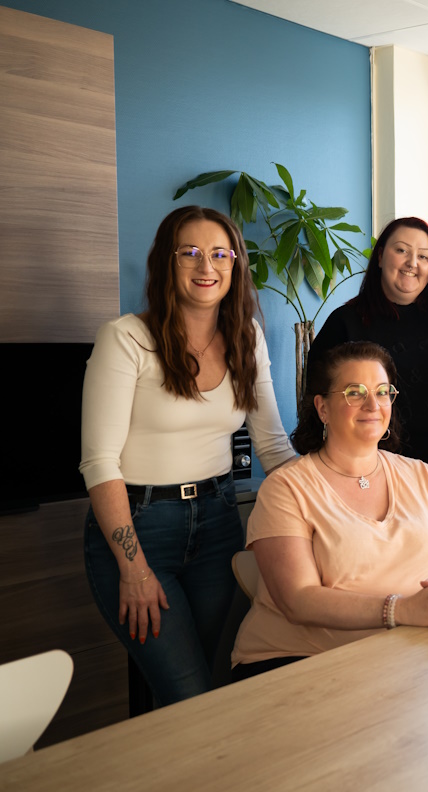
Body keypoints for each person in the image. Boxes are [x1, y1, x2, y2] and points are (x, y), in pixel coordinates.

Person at [80, 205, 297, 707]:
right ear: (166, 263)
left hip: (219, 526)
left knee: (202, 684)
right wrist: (132, 567)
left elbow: (272, 445)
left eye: (220, 253)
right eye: (191, 254)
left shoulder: (248, 338)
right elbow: (99, 463)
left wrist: (330, 501)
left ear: (236, 264)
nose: (207, 267)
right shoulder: (126, 339)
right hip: (138, 530)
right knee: (187, 697)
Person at [231, 342, 428, 679]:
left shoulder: (423, 475)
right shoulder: (285, 488)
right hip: (301, 663)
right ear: (322, 408)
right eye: (354, 392)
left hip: (410, 653)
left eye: (382, 392)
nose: (372, 405)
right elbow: (298, 600)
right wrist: (401, 610)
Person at [309, 217, 428, 486]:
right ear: (380, 257)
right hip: (370, 481)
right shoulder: (344, 323)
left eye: (424, 256)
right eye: (401, 250)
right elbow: (317, 410)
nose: (413, 263)